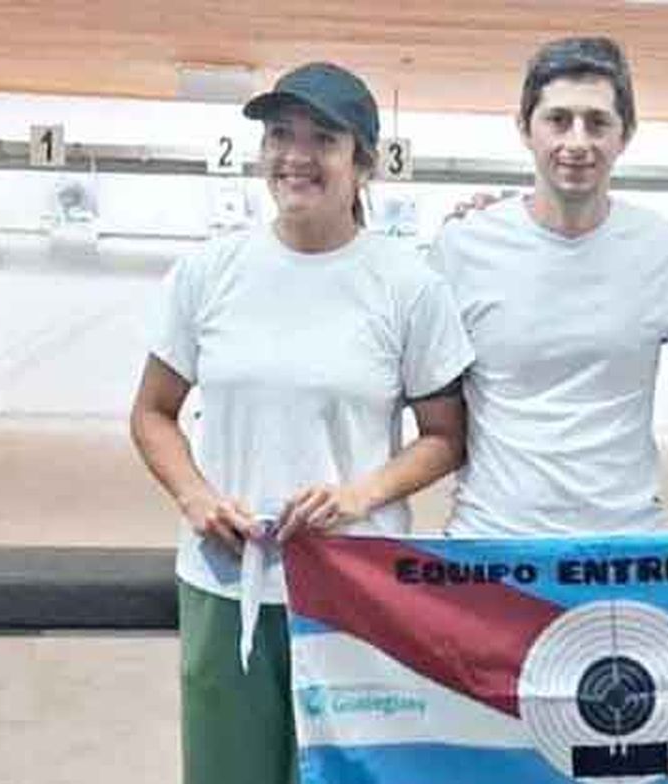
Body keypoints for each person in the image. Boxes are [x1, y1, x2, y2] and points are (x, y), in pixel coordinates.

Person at [128, 61, 474, 784]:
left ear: (365, 163)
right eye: (280, 134)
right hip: (229, 587)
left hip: (359, 586)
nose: (296, 156)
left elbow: (446, 435)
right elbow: (153, 413)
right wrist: (195, 495)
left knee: (351, 775)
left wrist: (359, 495)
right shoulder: (209, 273)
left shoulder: (408, 287)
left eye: (324, 138)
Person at [430, 37, 668, 537]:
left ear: (625, 133)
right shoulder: (463, 248)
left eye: (598, 122)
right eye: (558, 120)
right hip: (493, 543)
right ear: (525, 128)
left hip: (624, 545)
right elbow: (427, 401)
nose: (577, 141)